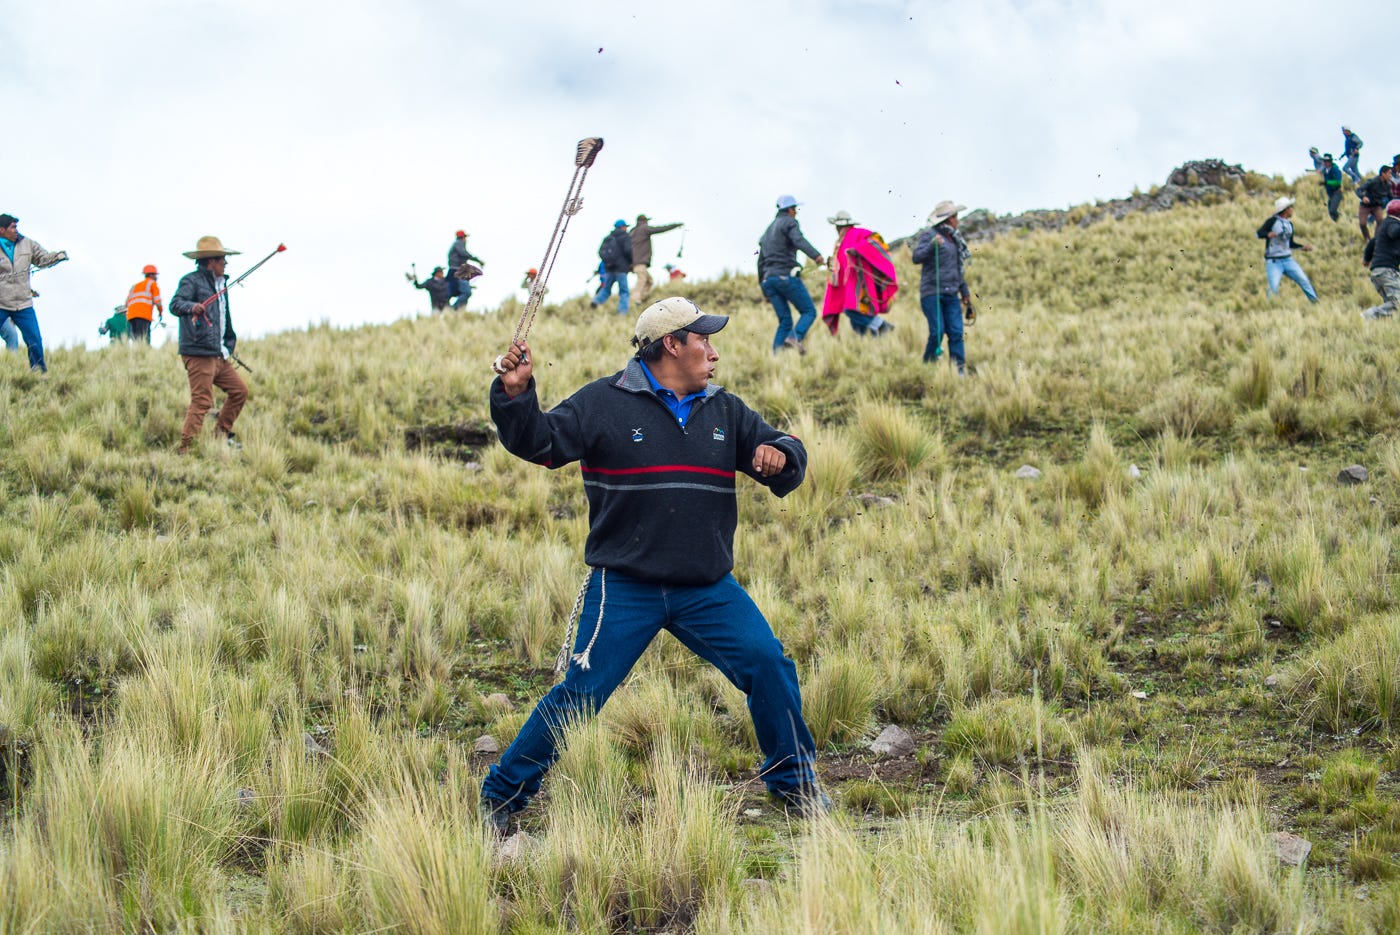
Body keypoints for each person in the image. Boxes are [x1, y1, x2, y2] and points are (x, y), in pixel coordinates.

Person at [479, 296, 829, 835]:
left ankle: (794, 782)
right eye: (703, 340)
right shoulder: (602, 402)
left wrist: (783, 455)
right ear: (672, 344)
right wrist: (515, 394)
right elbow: (540, 443)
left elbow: (783, 451)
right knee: (580, 694)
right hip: (624, 587)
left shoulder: (726, 410)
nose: (713, 352)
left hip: (706, 588)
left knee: (769, 664)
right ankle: (502, 795)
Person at [170, 236, 249, 453]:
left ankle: (219, 437)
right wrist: (192, 306)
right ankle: (186, 449)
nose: (226, 263)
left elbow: (223, 318)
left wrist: (228, 345)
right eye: (222, 259)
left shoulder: (220, 285)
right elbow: (175, 304)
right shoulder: (191, 281)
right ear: (211, 261)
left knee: (240, 391)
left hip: (218, 354)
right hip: (199, 353)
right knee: (202, 401)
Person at [911, 200, 974, 372]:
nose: (957, 220)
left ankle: (958, 370)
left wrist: (965, 292)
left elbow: (957, 269)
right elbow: (916, 257)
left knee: (956, 332)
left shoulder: (954, 240)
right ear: (947, 219)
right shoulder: (930, 235)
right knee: (937, 332)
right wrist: (932, 246)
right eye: (955, 217)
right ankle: (928, 367)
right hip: (932, 293)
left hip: (952, 293)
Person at [757, 195, 825, 354]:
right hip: (785, 276)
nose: (796, 212)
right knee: (809, 311)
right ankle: (795, 337)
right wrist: (816, 256)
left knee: (785, 321)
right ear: (789, 209)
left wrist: (764, 288)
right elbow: (798, 240)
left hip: (768, 280)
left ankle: (777, 358)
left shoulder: (767, 232)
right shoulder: (789, 222)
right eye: (795, 208)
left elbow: (760, 263)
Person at [0, 213, 67, 373]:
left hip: (23, 303)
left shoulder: (27, 244)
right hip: (1, 303)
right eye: (12, 227)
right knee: (12, 336)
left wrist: (57, 257)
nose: (16, 230)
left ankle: (39, 371)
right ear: (2, 230)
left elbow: (42, 259)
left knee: (34, 339)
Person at [820, 209, 898, 337]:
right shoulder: (839, 243)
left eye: (838, 226)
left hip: (861, 283)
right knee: (856, 323)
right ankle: (872, 342)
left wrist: (858, 250)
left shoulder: (858, 233)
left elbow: (876, 240)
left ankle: (881, 325)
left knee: (851, 310)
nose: (837, 229)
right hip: (848, 286)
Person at [1256, 196, 1318, 303]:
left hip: (1288, 260)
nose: (1292, 210)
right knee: (1273, 287)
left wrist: (1302, 247)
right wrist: (1267, 234)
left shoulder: (1289, 225)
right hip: (1273, 261)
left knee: (1303, 280)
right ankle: (1270, 306)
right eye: (1291, 207)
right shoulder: (1272, 221)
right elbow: (1259, 233)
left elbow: (1290, 243)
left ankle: (1315, 301)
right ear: (1286, 209)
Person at [629, 214, 683, 306]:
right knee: (642, 279)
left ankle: (640, 301)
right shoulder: (644, 228)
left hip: (634, 262)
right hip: (640, 262)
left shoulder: (632, 232)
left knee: (649, 281)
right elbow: (660, 229)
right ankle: (634, 300)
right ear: (644, 221)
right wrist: (675, 225)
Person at [1362, 199, 1400, 320]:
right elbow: (1393, 232)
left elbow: (1372, 243)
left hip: (1378, 271)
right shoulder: (1392, 223)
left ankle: (1371, 322)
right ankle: (1367, 316)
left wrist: (1366, 259)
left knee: (1391, 305)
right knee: (1397, 303)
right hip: (1387, 271)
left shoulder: (1384, 225)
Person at [592, 219, 633, 314]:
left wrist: (608, 262)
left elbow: (600, 252)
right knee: (624, 291)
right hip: (621, 268)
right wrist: (630, 262)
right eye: (625, 226)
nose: (626, 228)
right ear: (622, 227)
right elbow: (628, 251)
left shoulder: (608, 238)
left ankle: (596, 301)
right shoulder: (625, 236)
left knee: (606, 289)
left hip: (609, 268)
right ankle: (622, 311)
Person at [124, 264, 164, 343]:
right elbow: (158, 301)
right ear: (151, 275)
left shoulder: (134, 286)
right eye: (155, 275)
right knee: (144, 339)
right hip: (143, 315)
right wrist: (160, 312)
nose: (156, 277)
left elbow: (126, 303)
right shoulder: (152, 284)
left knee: (135, 339)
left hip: (131, 316)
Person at [447, 230, 484, 310]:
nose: (466, 240)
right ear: (462, 237)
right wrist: (478, 260)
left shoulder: (456, 244)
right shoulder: (458, 243)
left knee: (464, 292)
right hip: (459, 271)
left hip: (457, 270)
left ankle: (459, 310)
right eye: (465, 237)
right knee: (467, 292)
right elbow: (464, 254)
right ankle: (453, 309)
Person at [1357, 166, 1393, 243]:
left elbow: (1391, 197)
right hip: (1365, 206)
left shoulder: (1388, 185)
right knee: (1362, 223)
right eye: (1389, 173)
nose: (1391, 176)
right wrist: (1363, 197)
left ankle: (1376, 240)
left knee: (1380, 220)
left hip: (1377, 206)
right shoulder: (1372, 182)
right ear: (1383, 173)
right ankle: (1367, 239)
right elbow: (1359, 190)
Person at [1320, 154, 1344, 222]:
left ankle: (1343, 219)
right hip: (1331, 194)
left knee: (1332, 210)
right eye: (1324, 161)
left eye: (1327, 161)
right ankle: (1338, 222)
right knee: (1331, 212)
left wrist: (1326, 182)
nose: (1325, 163)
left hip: (1337, 192)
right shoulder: (1325, 171)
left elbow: (1338, 182)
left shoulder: (1335, 170)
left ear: (1330, 161)